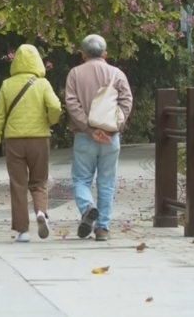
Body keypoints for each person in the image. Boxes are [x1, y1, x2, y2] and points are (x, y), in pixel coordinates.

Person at [0, 44, 62, 242]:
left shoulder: (7, 85)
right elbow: (55, 106)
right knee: (39, 182)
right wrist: (51, 120)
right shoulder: (43, 84)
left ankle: (23, 231)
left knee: (18, 184)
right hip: (39, 140)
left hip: (14, 142)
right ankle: (41, 212)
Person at [65, 34, 133, 241]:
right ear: (105, 54)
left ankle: (87, 207)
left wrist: (89, 128)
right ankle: (102, 228)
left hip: (85, 137)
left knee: (81, 179)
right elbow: (126, 101)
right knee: (107, 182)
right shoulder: (117, 74)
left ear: (83, 55)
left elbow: (71, 103)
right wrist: (113, 128)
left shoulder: (75, 74)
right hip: (111, 138)